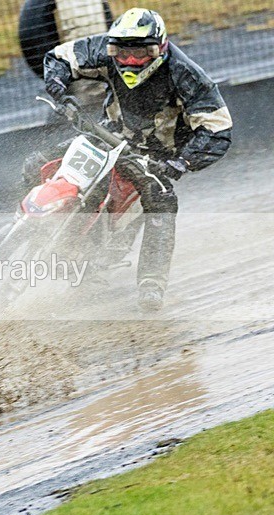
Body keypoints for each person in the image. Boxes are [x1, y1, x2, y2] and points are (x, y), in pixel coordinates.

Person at [35, 7, 232, 311]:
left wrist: (182, 163)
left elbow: (218, 129)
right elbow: (59, 57)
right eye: (120, 52)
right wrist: (59, 90)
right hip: (106, 135)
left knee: (163, 198)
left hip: (155, 156)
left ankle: (151, 283)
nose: (128, 60)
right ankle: (23, 228)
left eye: (140, 53)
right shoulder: (104, 50)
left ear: (160, 49)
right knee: (37, 161)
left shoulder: (187, 75)